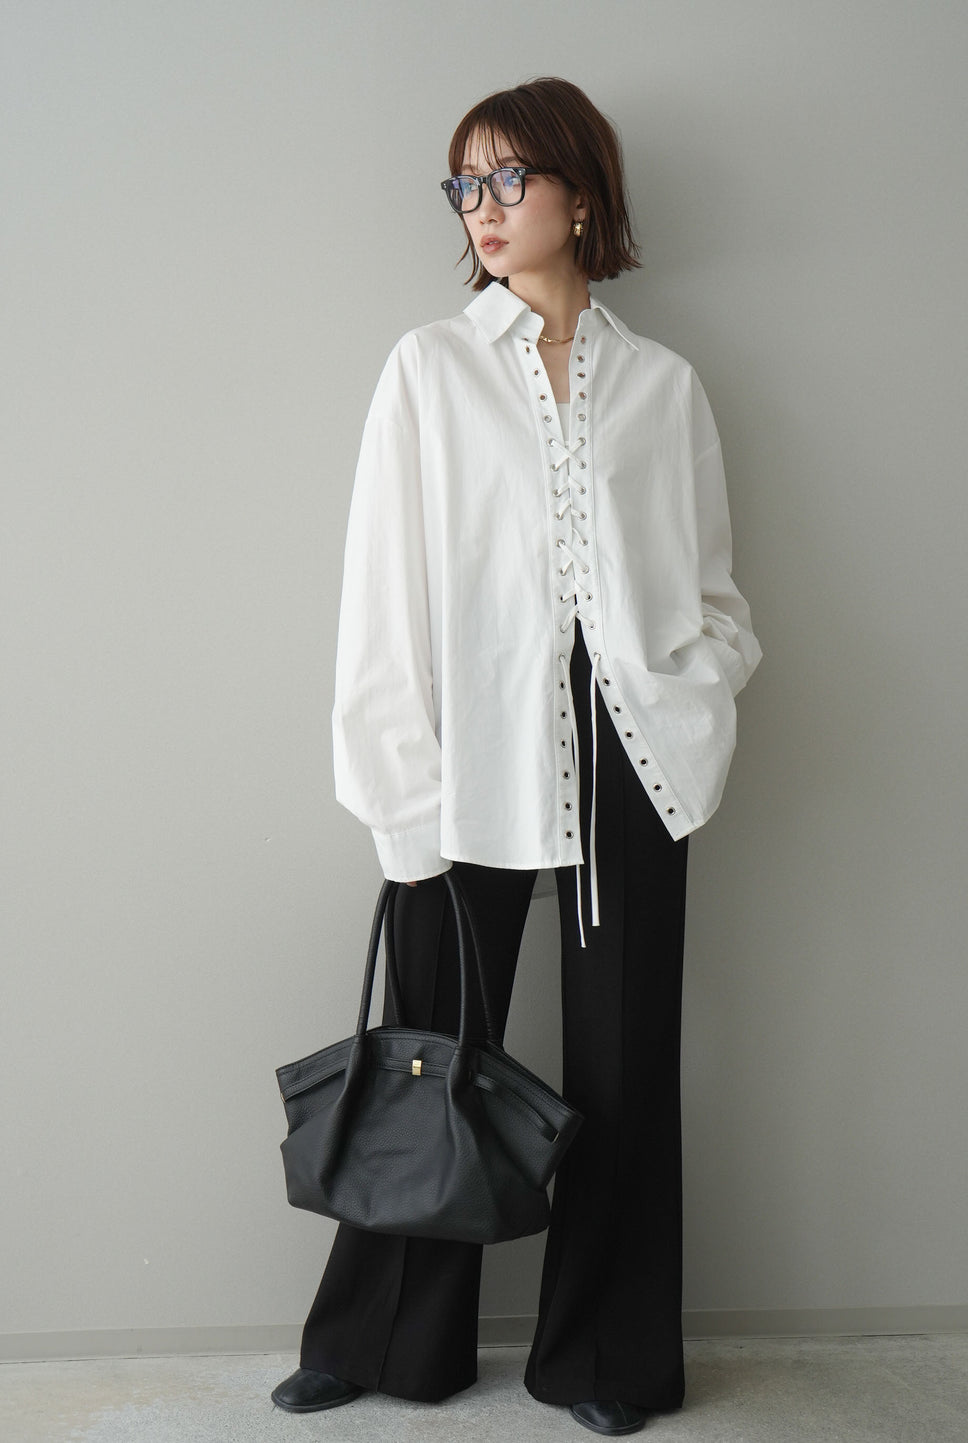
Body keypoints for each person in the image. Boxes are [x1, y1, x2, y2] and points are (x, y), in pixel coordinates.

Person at [272, 76, 761, 1437]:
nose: (481, 209)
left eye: (509, 179)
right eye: (464, 185)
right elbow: (382, 601)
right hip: (470, 745)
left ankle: (605, 1358)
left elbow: (716, 597)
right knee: (434, 1041)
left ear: (580, 196)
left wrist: (694, 690)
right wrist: (399, 796)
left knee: (625, 1062)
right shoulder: (429, 369)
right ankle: (388, 1342)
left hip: (631, 753)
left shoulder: (664, 387)